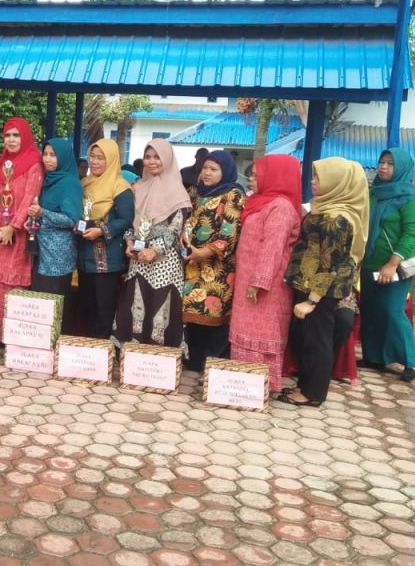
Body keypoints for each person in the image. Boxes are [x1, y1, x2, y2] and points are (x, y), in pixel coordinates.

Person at [279, 158, 369, 407]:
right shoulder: (324, 208)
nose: (313, 182)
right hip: (309, 283)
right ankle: (304, 386)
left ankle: (313, 394)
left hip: (321, 290)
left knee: (317, 341)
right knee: (306, 338)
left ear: (336, 183)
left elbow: (329, 265)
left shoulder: (336, 219)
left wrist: (311, 301)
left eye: (319, 178)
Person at [229, 155, 303, 393]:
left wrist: (258, 283)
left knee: (262, 333)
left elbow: (272, 248)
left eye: (256, 175)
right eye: (251, 174)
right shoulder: (261, 202)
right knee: (244, 331)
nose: (251, 179)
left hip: (266, 287)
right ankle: (241, 383)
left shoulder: (280, 207)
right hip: (247, 280)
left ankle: (261, 386)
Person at [359, 147, 415, 382]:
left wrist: (391, 264)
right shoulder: (374, 193)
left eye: (390, 164)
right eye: (382, 162)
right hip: (370, 261)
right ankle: (374, 357)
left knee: (392, 310)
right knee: (370, 308)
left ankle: (411, 361)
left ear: (401, 169)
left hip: (397, 266)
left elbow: (411, 235)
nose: (383, 167)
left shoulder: (413, 199)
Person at [116, 138, 192, 348]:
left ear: (167, 158)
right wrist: (129, 242)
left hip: (164, 263)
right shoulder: (138, 187)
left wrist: (155, 250)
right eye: (147, 157)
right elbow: (131, 221)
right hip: (139, 260)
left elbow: (175, 228)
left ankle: (161, 359)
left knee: (160, 308)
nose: (151, 161)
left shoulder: (178, 191)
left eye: (157, 157)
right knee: (136, 307)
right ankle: (133, 355)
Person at [182, 150, 245, 371]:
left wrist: (204, 252)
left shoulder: (232, 194)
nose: (207, 173)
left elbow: (229, 232)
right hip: (192, 264)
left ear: (225, 171)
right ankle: (196, 361)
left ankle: (212, 365)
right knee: (193, 311)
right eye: (205, 168)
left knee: (214, 313)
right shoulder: (195, 192)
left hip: (217, 267)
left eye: (214, 169)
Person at [0, 118, 44, 341]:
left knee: (14, 280)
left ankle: (13, 336)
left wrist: (13, 226)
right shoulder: (3, 163)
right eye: (7, 135)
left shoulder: (34, 164)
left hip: (18, 232)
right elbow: (3, 199)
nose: (11, 140)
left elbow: (30, 198)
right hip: (1, 229)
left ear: (25, 137)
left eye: (16, 135)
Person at [76, 139, 134, 339]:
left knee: (104, 307)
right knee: (86, 304)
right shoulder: (85, 183)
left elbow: (126, 219)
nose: (94, 161)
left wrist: (102, 231)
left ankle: (102, 347)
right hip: (84, 256)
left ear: (111, 160)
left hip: (107, 260)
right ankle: (88, 346)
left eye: (100, 158)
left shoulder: (121, 187)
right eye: (92, 156)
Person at [27, 138, 81, 330]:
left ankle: (57, 342)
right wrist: (32, 220)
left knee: (56, 304)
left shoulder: (69, 184)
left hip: (58, 257)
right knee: (41, 304)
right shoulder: (47, 180)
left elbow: (71, 220)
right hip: (41, 252)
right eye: (45, 154)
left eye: (53, 155)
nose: (48, 159)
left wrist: (43, 213)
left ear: (63, 157)